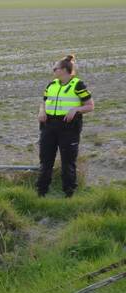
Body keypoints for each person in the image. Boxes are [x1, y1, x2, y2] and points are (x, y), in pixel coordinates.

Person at [37, 55, 94, 198]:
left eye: (55, 68)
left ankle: (69, 194)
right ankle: (41, 192)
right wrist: (41, 111)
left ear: (63, 70)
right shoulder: (51, 85)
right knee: (45, 160)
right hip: (49, 126)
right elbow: (44, 101)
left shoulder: (78, 85)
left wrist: (76, 109)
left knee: (68, 162)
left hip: (69, 128)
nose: (53, 70)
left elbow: (90, 106)